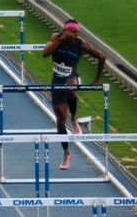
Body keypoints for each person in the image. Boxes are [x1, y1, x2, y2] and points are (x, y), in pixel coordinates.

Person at [39, 18, 105, 170]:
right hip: (56, 82)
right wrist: (61, 39)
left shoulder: (81, 45)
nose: (74, 35)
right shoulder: (56, 38)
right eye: (71, 32)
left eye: (76, 32)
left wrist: (96, 79)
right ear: (65, 30)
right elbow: (44, 54)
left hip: (71, 79)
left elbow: (102, 57)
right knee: (60, 121)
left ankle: (74, 119)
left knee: (71, 86)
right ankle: (66, 153)